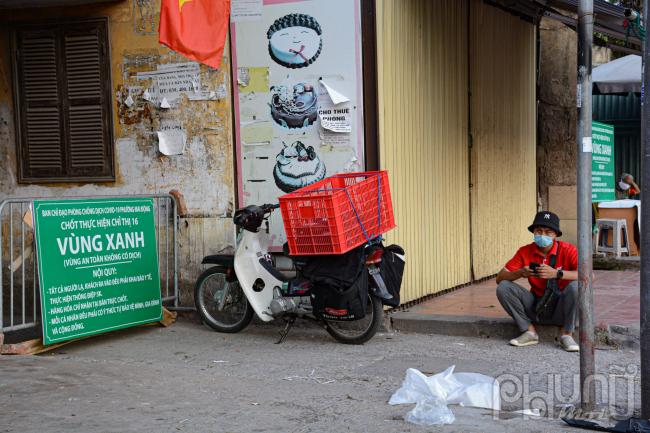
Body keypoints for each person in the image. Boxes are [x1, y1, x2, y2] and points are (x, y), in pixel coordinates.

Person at [495, 211, 580, 352]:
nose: (543, 235)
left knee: (577, 286)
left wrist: (557, 273)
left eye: (548, 232)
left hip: (561, 307)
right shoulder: (525, 251)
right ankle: (529, 332)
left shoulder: (569, 250)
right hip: (536, 306)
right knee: (503, 287)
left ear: (556, 235)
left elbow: (589, 276)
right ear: (533, 232)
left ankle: (566, 334)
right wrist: (520, 272)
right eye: (539, 231)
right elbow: (500, 278)